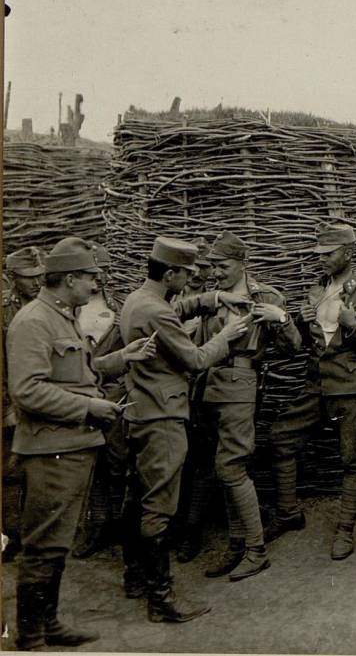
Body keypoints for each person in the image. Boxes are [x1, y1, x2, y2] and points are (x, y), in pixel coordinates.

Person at [6, 237, 156, 649]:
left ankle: (49, 625)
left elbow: (81, 370)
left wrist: (123, 357)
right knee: (43, 546)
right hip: (51, 449)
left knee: (57, 544)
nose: (96, 284)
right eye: (90, 277)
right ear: (69, 278)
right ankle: (31, 636)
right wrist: (90, 408)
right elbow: (28, 391)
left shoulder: (61, 315)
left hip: (70, 447)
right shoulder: (34, 322)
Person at [119, 236, 250, 623]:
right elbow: (194, 359)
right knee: (159, 506)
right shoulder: (157, 311)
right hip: (163, 417)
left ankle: (136, 577)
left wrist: (213, 300)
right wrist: (225, 338)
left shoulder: (137, 300)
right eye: (188, 274)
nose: (196, 279)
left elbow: (174, 307)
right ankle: (162, 601)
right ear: (171, 273)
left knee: (136, 497)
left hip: (139, 412)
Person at [265, 222, 356, 560]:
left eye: (329, 253)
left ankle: (345, 530)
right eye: (319, 253)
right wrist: (301, 322)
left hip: (352, 388)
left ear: (348, 254)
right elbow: (303, 344)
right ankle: (289, 513)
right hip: (316, 385)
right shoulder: (315, 291)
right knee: (281, 438)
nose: (321, 259)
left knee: (353, 459)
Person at [189, 230, 302, 582]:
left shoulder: (265, 296)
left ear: (242, 263)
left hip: (241, 385)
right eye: (212, 266)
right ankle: (237, 544)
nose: (216, 273)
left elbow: (293, 347)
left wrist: (280, 320)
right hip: (209, 386)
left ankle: (256, 550)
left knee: (231, 466)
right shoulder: (211, 298)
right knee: (223, 468)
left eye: (222, 266)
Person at [72, 243, 128, 559]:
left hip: (114, 395)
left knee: (117, 461)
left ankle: (117, 525)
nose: (98, 278)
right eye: (92, 272)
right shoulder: (70, 311)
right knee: (88, 463)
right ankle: (95, 526)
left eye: (102, 270)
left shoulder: (118, 308)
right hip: (80, 396)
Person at [172, 238, 218, 563]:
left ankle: (192, 530)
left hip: (202, 390)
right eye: (195, 269)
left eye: (205, 268)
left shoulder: (216, 300)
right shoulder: (172, 299)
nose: (199, 275)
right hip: (174, 391)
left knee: (202, 463)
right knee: (177, 464)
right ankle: (174, 526)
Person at [2, 246, 45, 559]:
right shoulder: (5, 310)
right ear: (11, 277)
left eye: (38, 275)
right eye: (28, 277)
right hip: (12, 400)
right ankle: (12, 534)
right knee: (10, 472)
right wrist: (9, 408)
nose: (35, 282)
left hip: (40, 398)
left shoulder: (48, 305)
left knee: (39, 470)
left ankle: (35, 535)